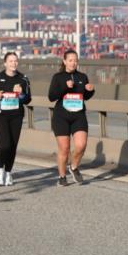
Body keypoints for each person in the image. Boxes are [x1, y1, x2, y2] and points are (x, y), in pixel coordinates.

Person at [0, 52, 32, 186]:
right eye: (10, 61)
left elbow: (28, 99)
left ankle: (8, 172)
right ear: (5, 63)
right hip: (0, 115)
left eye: (15, 61)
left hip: (16, 115)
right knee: (5, 145)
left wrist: (21, 93)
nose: (13, 63)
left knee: (13, 146)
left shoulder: (23, 79)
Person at [47, 49, 95, 186]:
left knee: (81, 145)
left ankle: (73, 167)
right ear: (64, 61)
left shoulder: (82, 76)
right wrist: (65, 87)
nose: (73, 63)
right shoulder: (58, 77)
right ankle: (62, 176)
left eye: (75, 60)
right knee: (65, 149)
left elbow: (85, 97)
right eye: (70, 60)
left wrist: (90, 91)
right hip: (61, 116)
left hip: (78, 115)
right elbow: (51, 97)